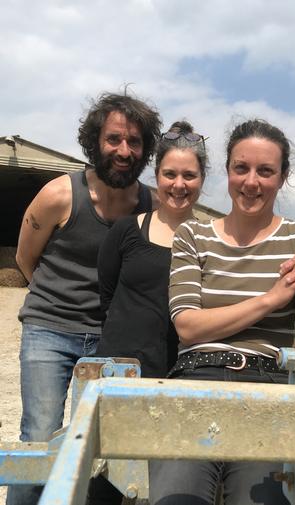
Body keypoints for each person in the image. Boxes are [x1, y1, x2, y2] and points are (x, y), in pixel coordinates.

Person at [149, 119, 295, 505]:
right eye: (241, 168)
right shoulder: (194, 236)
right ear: (227, 171)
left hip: (272, 385)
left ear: (282, 177)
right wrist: (271, 300)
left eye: (265, 171)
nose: (251, 182)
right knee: (178, 497)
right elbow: (188, 328)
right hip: (196, 377)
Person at [7, 91, 162, 505]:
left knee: (108, 446)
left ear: (146, 148)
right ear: (95, 141)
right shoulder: (59, 194)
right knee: (40, 438)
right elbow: (25, 256)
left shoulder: (151, 205)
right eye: (114, 139)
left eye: (134, 141)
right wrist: (56, 300)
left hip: (115, 339)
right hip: (50, 332)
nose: (124, 151)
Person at [88, 121, 207, 504]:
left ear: (202, 180)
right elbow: (107, 296)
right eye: (170, 174)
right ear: (156, 177)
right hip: (120, 372)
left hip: (177, 377)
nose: (179, 184)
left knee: (163, 486)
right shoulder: (126, 231)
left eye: (189, 175)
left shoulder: (211, 241)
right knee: (102, 483)